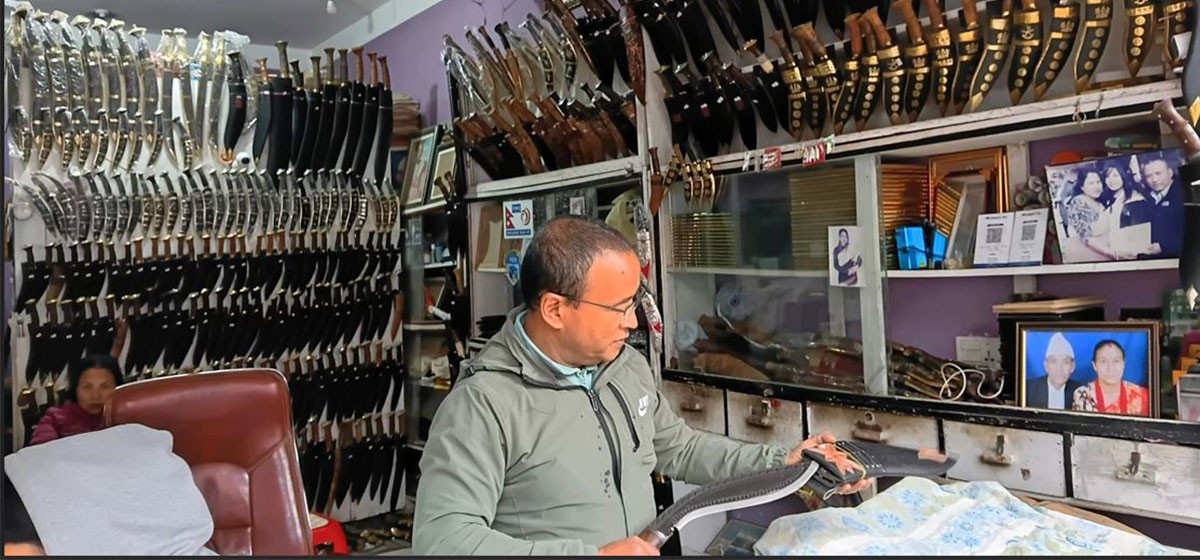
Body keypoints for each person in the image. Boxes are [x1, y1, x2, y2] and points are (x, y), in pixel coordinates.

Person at [413, 216, 870, 556]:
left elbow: (679, 449)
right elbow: (443, 541)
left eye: (635, 303)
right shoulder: (483, 405)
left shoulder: (623, 366)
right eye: (618, 308)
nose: (632, 322)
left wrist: (783, 462)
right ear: (555, 309)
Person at [29, 355, 124, 445]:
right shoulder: (56, 419)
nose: (95, 396)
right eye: (87, 387)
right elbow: (42, 447)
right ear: (76, 388)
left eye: (105, 386)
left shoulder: (126, 417)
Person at [1121, 156, 1185, 257]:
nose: (1154, 179)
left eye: (1158, 174)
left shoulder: (1184, 195)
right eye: (1149, 176)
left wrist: (1163, 247)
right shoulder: (1146, 197)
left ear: (1170, 172)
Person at [1072, 340, 1149, 416]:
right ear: (1094, 365)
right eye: (1103, 361)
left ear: (1124, 363)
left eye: (1116, 361)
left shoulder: (1141, 395)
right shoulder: (1084, 395)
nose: (1110, 368)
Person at [1064, 170, 1119, 260]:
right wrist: (1114, 254)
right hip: (1089, 256)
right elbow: (1086, 237)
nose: (1096, 186)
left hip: (1106, 255)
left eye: (1098, 182)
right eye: (1091, 183)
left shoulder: (1100, 202)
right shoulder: (1079, 202)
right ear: (1082, 187)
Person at [1025, 332, 1083, 409]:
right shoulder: (1028, 389)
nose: (1059, 368)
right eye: (1053, 361)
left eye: (1065, 362)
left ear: (1072, 366)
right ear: (1046, 366)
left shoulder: (1080, 391)